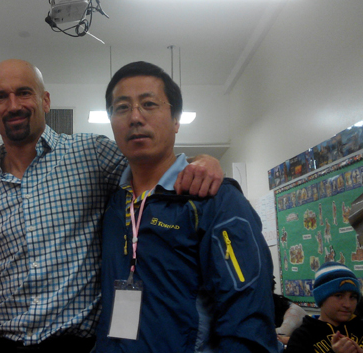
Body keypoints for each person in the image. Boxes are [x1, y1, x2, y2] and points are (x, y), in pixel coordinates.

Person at [0, 59, 223, 353]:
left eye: (24, 93)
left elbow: (153, 169)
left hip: (77, 344)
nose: (13, 105)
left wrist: (201, 162)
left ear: (45, 101)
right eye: (0, 97)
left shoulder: (91, 154)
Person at [94, 61, 277, 353]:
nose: (135, 117)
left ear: (176, 120)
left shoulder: (214, 199)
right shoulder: (114, 205)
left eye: (149, 104)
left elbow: (248, 315)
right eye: (122, 108)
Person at [285, 262, 363, 353]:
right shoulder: (302, 337)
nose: (347, 304)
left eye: (353, 297)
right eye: (339, 296)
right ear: (322, 298)